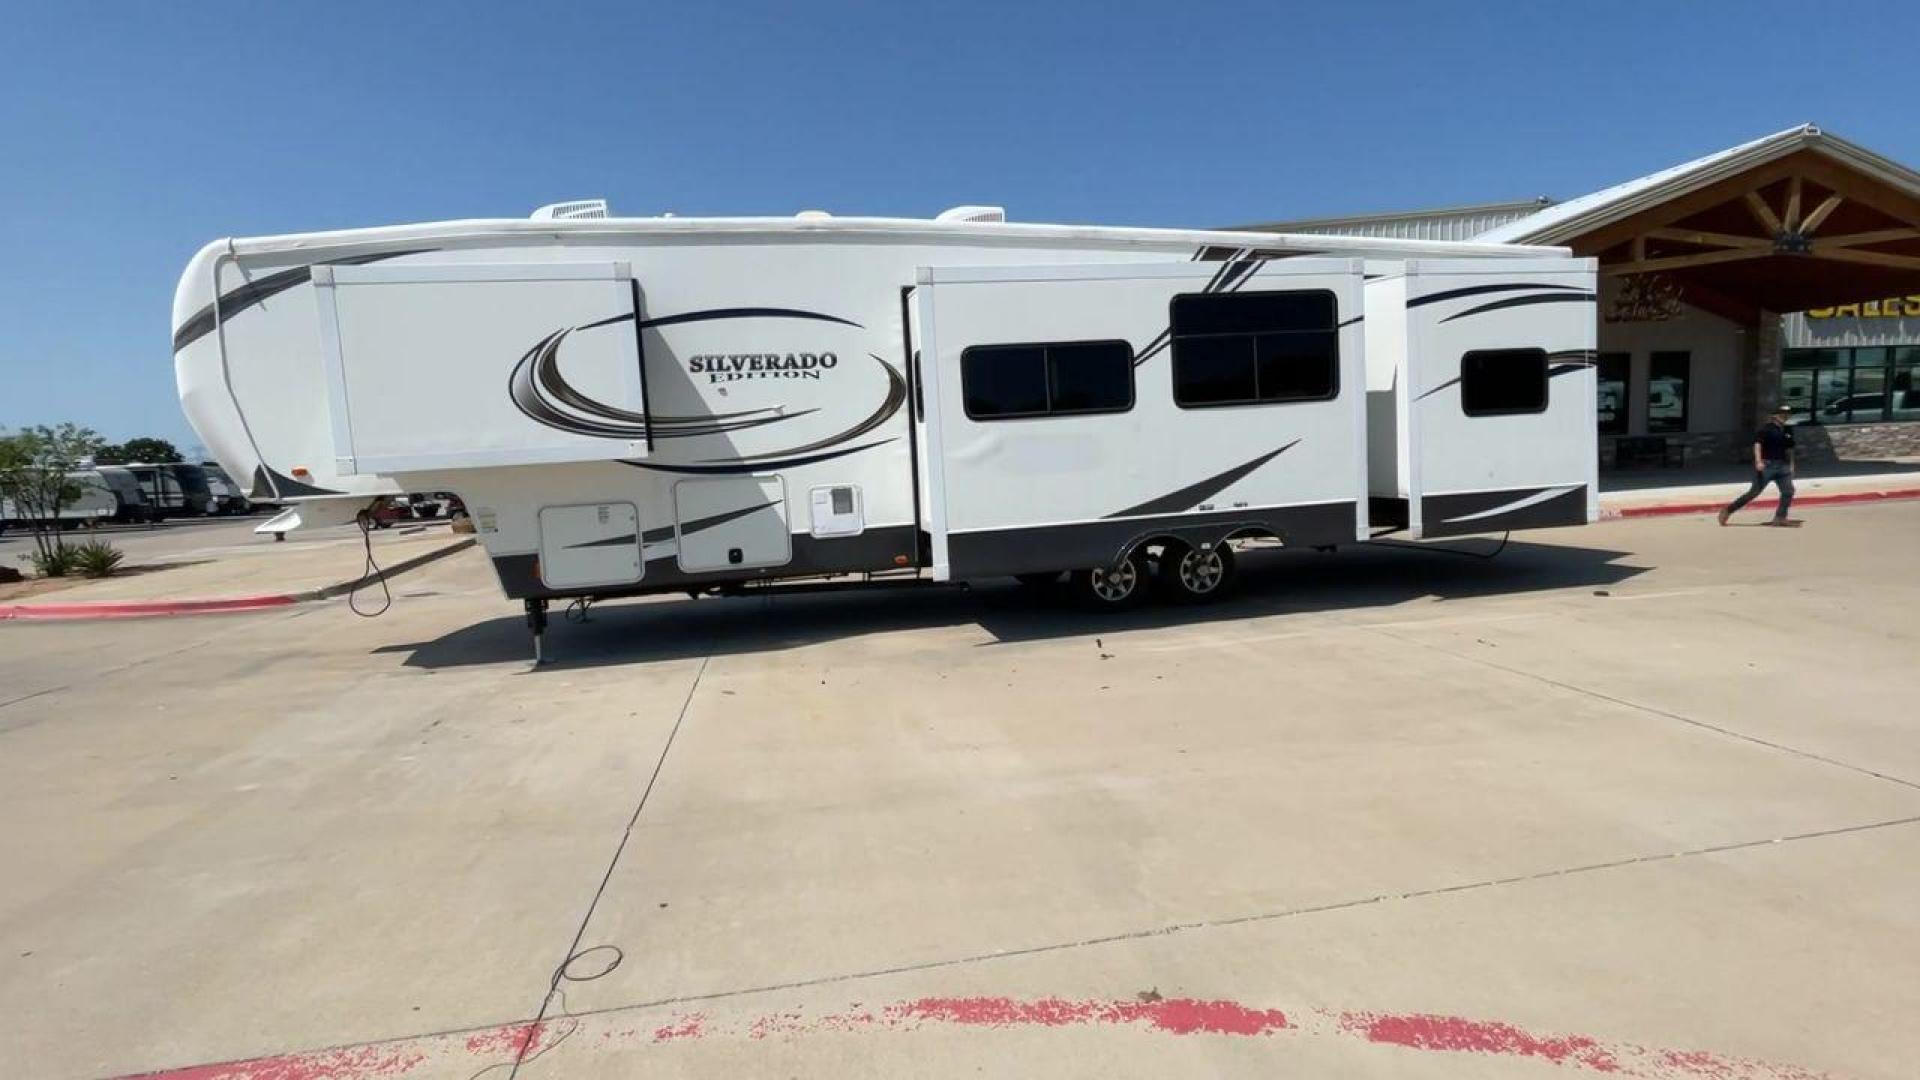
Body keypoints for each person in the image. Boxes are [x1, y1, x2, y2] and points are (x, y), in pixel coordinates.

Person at [1719, 405, 1801, 527]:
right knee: (1753, 493)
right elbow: (1758, 444)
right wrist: (1758, 461)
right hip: (1767, 465)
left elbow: (1790, 449)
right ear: (1775, 415)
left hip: (1782, 466)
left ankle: (1780, 518)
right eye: (1782, 414)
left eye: (1787, 414)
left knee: (1788, 491)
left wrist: (1792, 465)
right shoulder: (1767, 429)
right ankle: (1728, 510)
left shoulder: (1787, 430)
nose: (1785, 416)